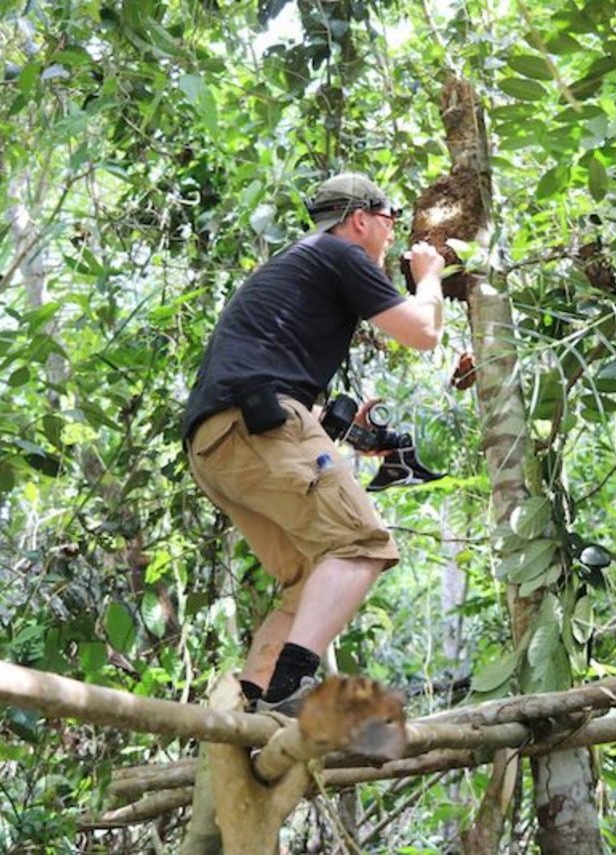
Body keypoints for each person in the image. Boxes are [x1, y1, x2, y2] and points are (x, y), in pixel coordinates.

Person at [182, 172, 446, 714]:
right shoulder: (338, 254)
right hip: (254, 421)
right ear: (360, 220)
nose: (392, 232)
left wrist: (343, 427)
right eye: (389, 219)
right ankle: (290, 688)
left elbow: (267, 366)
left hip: (216, 442)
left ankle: (253, 708)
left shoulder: (298, 265)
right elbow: (424, 332)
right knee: (361, 544)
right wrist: (431, 276)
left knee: (307, 576)